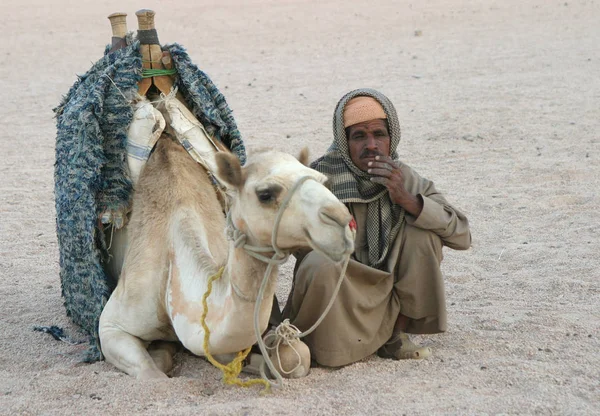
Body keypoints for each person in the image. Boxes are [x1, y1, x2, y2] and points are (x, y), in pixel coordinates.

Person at [279, 88, 472, 369]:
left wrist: (408, 200)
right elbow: (285, 242)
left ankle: (395, 337)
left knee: (424, 234)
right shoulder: (318, 178)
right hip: (341, 296)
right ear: (344, 142)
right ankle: (326, 347)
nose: (371, 145)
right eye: (359, 136)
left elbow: (462, 235)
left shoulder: (403, 176)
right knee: (322, 262)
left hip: (389, 295)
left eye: (379, 134)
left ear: (391, 137)